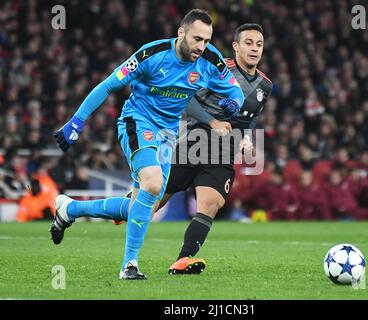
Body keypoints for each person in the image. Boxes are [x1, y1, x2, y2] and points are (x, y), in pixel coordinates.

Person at [50, 9, 244, 280]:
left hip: (168, 134)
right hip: (137, 121)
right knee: (153, 184)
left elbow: (234, 88)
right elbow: (108, 86)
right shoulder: (151, 55)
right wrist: (76, 122)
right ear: (181, 33)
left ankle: (69, 209)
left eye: (207, 40)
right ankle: (129, 264)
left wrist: (234, 101)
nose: (202, 46)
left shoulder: (210, 59)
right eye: (197, 38)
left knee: (140, 204)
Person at [115, 23, 272, 274]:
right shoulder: (217, 69)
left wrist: (247, 137)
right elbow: (186, 98)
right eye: (248, 43)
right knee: (152, 199)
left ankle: (183, 259)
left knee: (210, 204)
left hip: (223, 151)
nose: (254, 49)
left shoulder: (265, 85)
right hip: (192, 142)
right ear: (236, 47)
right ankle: (80, 210)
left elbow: (250, 117)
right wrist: (212, 121)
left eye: (259, 44)